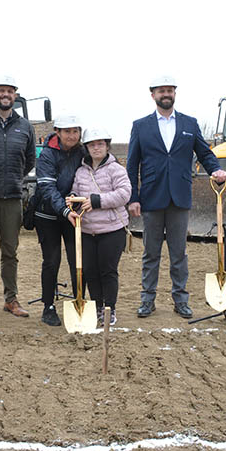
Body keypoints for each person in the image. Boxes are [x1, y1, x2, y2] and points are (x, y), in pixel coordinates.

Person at [126, 76, 226, 319]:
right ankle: (147, 300)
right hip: (151, 199)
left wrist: (215, 169)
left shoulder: (189, 124)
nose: (166, 94)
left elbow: (204, 153)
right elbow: (132, 166)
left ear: (175, 94)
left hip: (180, 198)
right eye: (161, 90)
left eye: (170, 90)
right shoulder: (140, 126)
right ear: (153, 95)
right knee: (151, 253)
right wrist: (133, 197)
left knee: (179, 254)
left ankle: (180, 300)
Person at [0, 75, 36, 318]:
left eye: (10, 91)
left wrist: (14, 179)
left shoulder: (25, 126)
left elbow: (29, 160)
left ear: (15, 95)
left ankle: (11, 299)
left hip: (12, 198)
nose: (6, 95)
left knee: (10, 252)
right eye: (1, 90)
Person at [69, 127, 131, 326]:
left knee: (108, 270)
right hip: (87, 230)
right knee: (91, 270)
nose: (96, 148)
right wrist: (73, 200)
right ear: (87, 148)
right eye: (92, 145)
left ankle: (109, 309)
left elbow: (124, 194)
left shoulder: (116, 169)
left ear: (107, 146)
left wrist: (96, 201)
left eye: (100, 144)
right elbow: (76, 191)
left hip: (112, 230)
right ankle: (97, 306)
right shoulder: (81, 171)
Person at [34, 115, 84, 326]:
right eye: (67, 131)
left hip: (74, 216)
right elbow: (47, 188)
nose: (71, 135)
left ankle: (79, 301)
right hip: (48, 215)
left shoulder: (83, 151)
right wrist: (65, 210)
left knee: (78, 261)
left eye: (75, 131)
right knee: (52, 261)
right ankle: (48, 306)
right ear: (57, 132)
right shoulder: (46, 154)